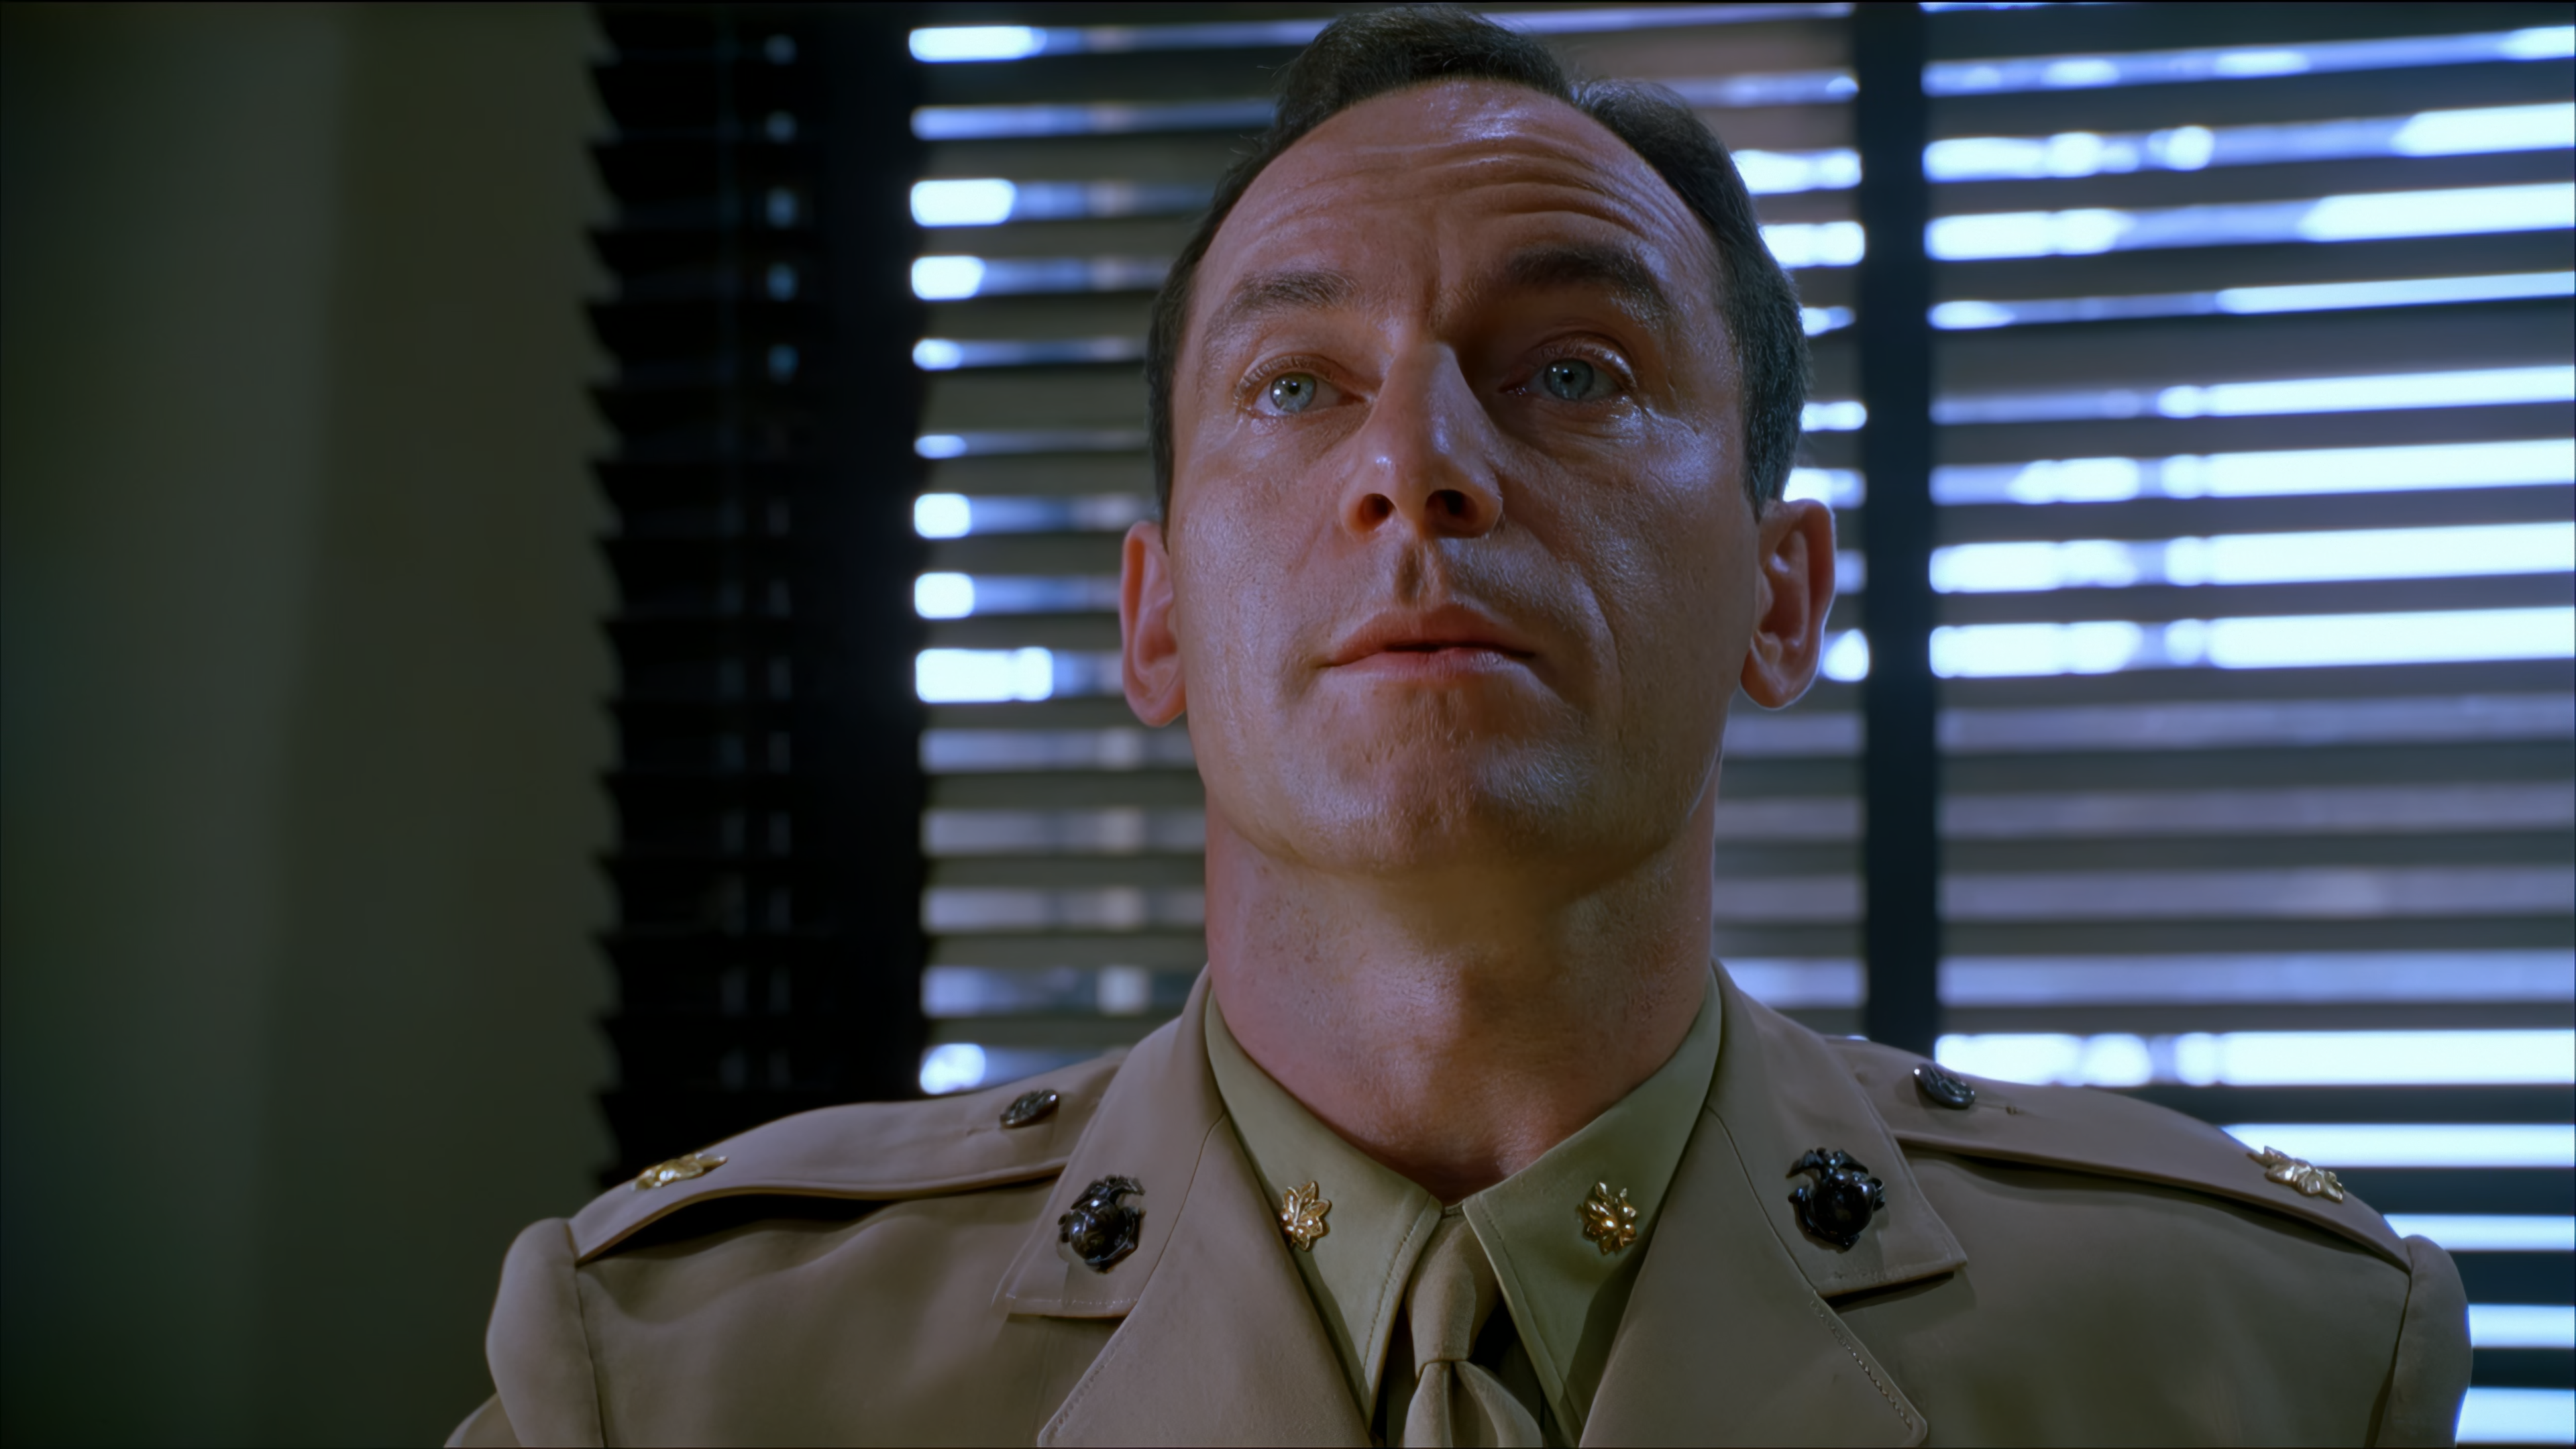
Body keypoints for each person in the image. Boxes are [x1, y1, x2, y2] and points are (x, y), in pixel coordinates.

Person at [449, 9, 2469, 1446]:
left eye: (1574, 370)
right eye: (1296, 386)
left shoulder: (2270, 1361)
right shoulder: (672, 1375)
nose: (1416, 462)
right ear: (1156, 620)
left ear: (1782, 598)